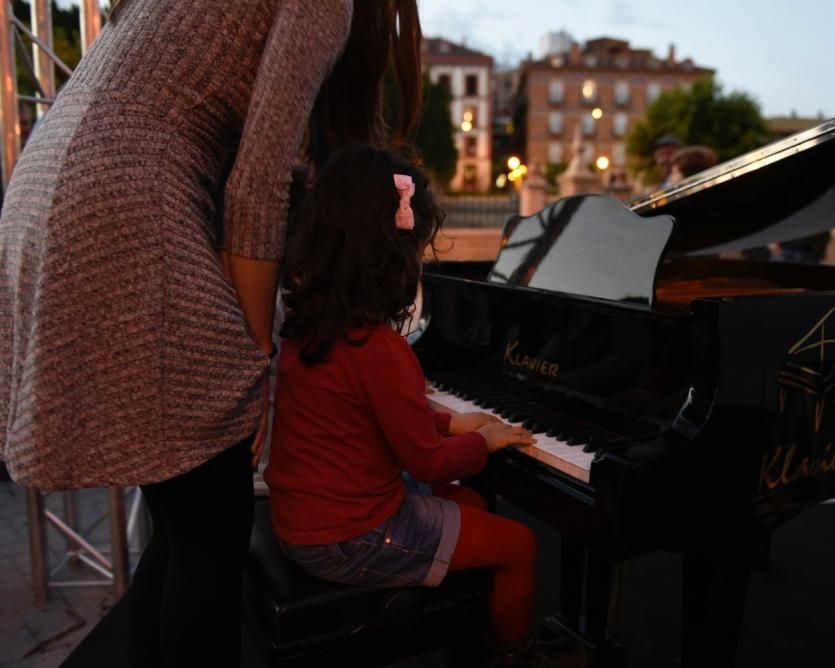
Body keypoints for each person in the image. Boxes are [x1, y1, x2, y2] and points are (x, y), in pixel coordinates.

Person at [0, 1, 424, 666]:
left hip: (48, 183)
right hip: (123, 196)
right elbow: (257, 186)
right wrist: (255, 369)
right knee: (214, 525)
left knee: (183, 518)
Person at [265, 145, 587, 667]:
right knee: (520, 545)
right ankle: (514, 656)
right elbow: (428, 462)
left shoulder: (312, 329)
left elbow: (371, 417)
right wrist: (480, 440)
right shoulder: (381, 348)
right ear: (391, 255)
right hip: (353, 537)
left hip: (303, 521)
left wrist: (450, 419)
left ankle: (467, 629)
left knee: (472, 505)